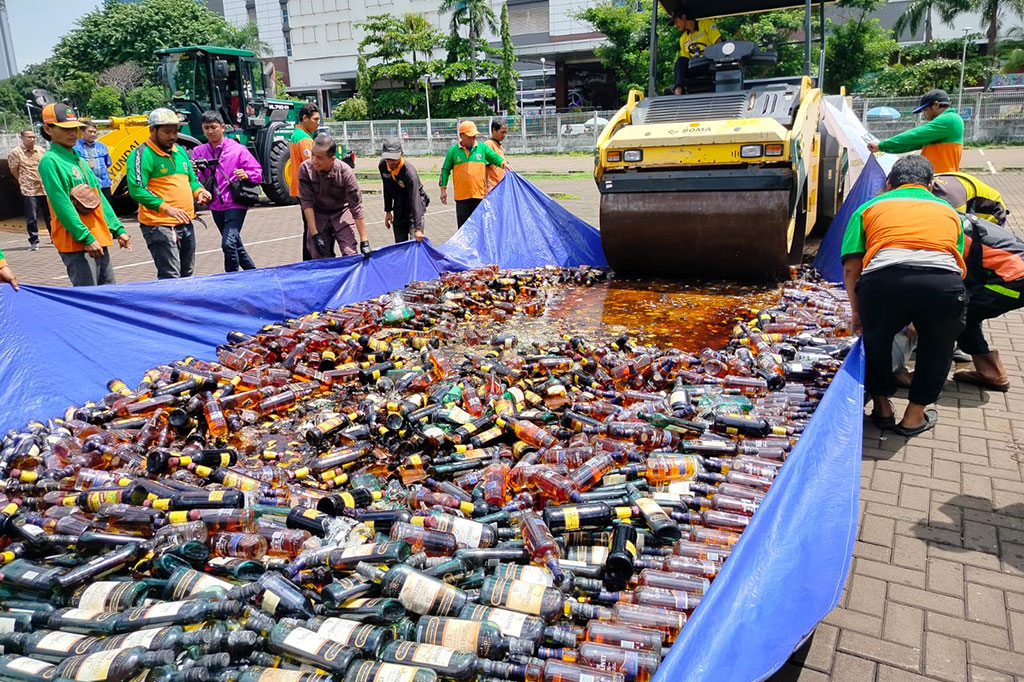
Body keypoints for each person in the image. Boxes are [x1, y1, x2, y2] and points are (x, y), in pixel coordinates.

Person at [842, 155, 966, 437]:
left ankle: (883, 408)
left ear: (888, 183)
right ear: (931, 185)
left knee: (876, 342)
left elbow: (851, 267)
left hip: (883, 283)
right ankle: (914, 417)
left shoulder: (868, 207)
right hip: (942, 285)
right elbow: (957, 264)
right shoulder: (948, 211)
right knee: (938, 348)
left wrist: (858, 312)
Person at [37, 103, 132, 287]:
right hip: (78, 243)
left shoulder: (77, 157)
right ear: (48, 129)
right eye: (66, 129)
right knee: (89, 298)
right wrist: (85, 237)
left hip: (98, 238)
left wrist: (118, 229)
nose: (73, 133)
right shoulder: (50, 161)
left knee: (109, 294)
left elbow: (98, 198)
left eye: (75, 128)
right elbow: (61, 205)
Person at [126, 108, 212, 280]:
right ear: (152, 130)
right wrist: (166, 208)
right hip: (159, 225)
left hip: (185, 222)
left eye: (175, 131)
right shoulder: (142, 154)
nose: (172, 136)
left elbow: (191, 180)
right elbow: (137, 188)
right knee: (170, 276)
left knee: (187, 273)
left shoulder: (179, 152)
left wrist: (200, 191)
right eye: (167, 132)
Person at [191, 111, 263, 272]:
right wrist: (195, 171)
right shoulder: (199, 152)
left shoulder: (238, 150)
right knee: (236, 244)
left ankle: (231, 279)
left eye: (214, 127)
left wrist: (247, 174)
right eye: (206, 128)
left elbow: (258, 173)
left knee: (228, 243)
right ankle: (255, 274)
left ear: (222, 127)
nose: (210, 131)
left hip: (235, 203)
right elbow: (196, 178)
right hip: (215, 205)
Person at [299, 134, 371, 259]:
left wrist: (364, 240)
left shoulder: (345, 172)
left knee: (350, 253)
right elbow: (306, 203)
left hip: (341, 213)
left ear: (332, 159)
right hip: (318, 214)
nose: (314, 160)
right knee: (318, 255)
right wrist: (315, 234)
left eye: (320, 158)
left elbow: (356, 207)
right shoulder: (305, 169)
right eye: (313, 155)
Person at [867, 89, 964, 173]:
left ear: (936, 105)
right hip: (937, 177)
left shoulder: (950, 119)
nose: (924, 115)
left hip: (942, 178)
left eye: (925, 110)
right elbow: (911, 144)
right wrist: (884, 148)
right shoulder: (948, 122)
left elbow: (914, 136)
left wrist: (882, 145)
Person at [439, 121, 507, 229]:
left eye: (474, 136)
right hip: (462, 198)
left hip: (479, 196)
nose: (472, 139)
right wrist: (443, 189)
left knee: (480, 228)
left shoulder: (481, 148)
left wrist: (503, 164)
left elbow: (494, 157)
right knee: (464, 229)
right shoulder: (453, 150)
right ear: (461, 135)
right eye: (469, 137)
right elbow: (445, 170)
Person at [8, 128, 51, 251]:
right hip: (29, 189)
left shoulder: (41, 150)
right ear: (22, 138)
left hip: (44, 187)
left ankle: (54, 237)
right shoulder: (16, 153)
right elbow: (13, 170)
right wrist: (23, 181)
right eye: (29, 137)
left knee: (49, 215)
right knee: (32, 216)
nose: (32, 139)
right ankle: (34, 240)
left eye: (33, 137)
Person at [379, 138, 427, 244]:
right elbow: (386, 188)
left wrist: (418, 228)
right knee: (400, 246)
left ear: (401, 154)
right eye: (388, 158)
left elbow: (415, 200)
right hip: (399, 207)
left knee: (415, 244)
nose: (391, 162)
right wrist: (388, 211)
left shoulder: (409, 173)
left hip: (414, 209)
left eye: (394, 159)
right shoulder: (383, 166)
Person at [289, 102, 320, 261]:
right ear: (304, 118)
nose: (318, 122)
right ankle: (311, 260)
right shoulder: (304, 139)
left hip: (299, 188)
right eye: (315, 119)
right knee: (312, 227)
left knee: (308, 226)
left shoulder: (297, 135)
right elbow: (312, 165)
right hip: (306, 190)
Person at [671, 4, 721, 96]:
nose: (676, 25)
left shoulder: (706, 25)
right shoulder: (683, 38)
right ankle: (678, 92)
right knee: (680, 61)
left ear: (684, 17)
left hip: (710, 63)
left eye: (677, 21)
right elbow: (685, 59)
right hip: (694, 66)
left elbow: (719, 45)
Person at [74, 122, 113, 202]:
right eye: (90, 131)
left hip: (104, 184)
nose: (92, 134)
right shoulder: (76, 147)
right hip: (87, 186)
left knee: (107, 210)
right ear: (82, 132)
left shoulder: (102, 146)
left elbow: (108, 163)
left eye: (94, 132)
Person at [484, 120, 508, 193]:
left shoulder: (498, 145)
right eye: (502, 132)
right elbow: (486, 166)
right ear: (494, 130)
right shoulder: (489, 145)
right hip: (493, 186)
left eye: (505, 132)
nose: (504, 135)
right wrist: (488, 186)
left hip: (500, 185)